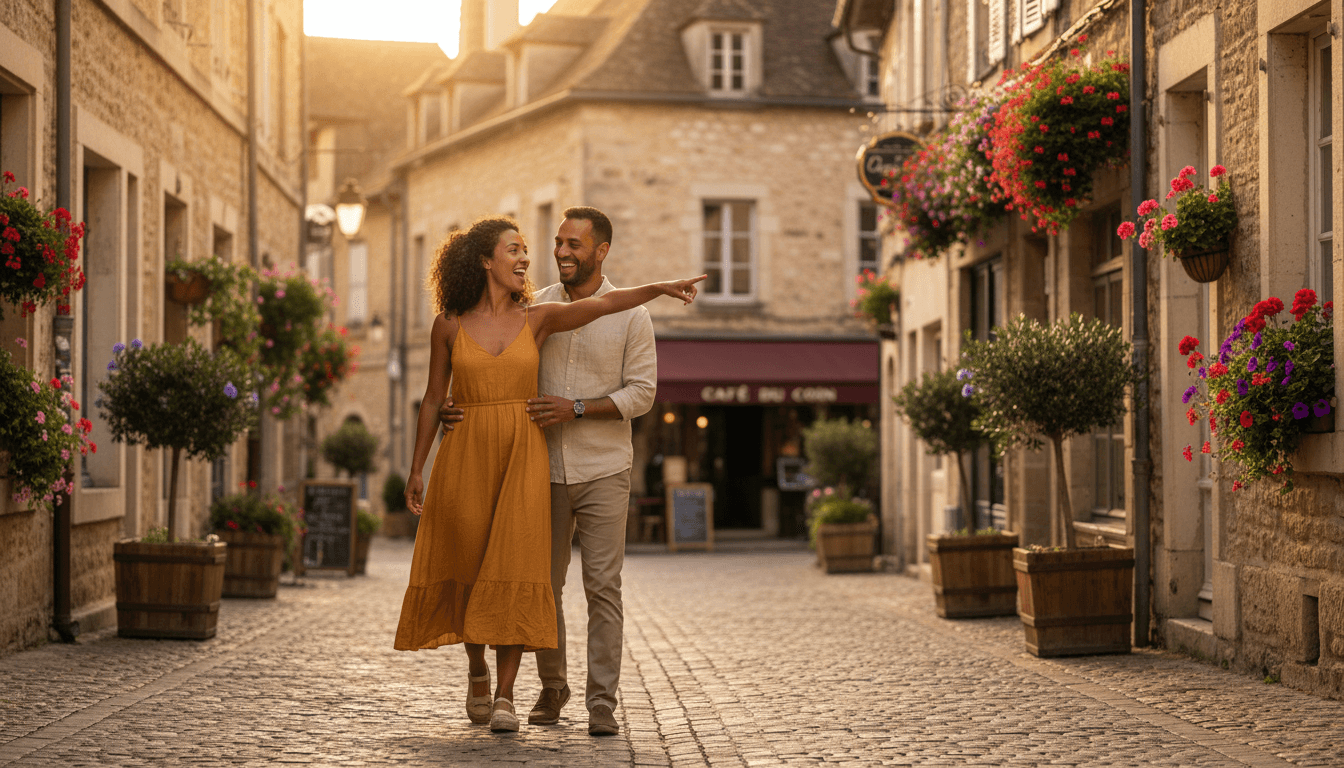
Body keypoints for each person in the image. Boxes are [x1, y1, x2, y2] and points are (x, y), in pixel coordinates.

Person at [394, 214, 702, 735]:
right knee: (484, 567)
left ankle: (544, 699)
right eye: (518, 249)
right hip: (493, 457)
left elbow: (609, 317)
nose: (532, 256)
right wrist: (420, 460)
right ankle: (502, 676)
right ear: (485, 261)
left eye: (560, 243)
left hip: (555, 460)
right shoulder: (470, 318)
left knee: (548, 577)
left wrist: (657, 288)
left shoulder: (542, 316)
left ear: (599, 250)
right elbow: (432, 395)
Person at [442, 206, 654, 737]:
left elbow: (643, 394)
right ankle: (553, 686)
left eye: (573, 245)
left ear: (600, 251)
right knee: (541, 585)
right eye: (557, 241)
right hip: (537, 468)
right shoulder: (530, 307)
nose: (559, 251)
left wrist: (576, 407)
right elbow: (489, 361)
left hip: (604, 466)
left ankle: (601, 701)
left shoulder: (631, 315)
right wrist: (455, 404)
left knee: (603, 585)